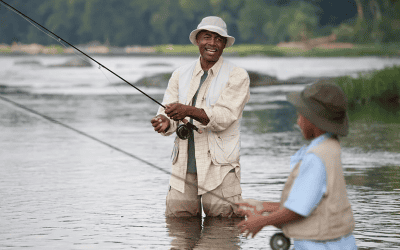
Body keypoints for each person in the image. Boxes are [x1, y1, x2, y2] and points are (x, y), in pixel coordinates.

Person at [237, 80, 358, 249]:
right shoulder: (331, 146)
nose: (298, 121)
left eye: (301, 115)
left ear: (313, 121)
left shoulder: (315, 158)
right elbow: (310, 205)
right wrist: (262, 206)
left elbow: (296, 212)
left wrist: (260, 221)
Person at [150, 16, 250, 217]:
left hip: (220, 168)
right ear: (198, 40)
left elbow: (225, 117)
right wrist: (164, 122)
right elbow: (167, 111)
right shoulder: (180, 74)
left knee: (225, 227)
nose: (212, 43)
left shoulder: (237, 75)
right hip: (183, 166)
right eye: (207, 37)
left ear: (224, 44)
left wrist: (187, 110)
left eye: (218, 39)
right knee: (179, 227)